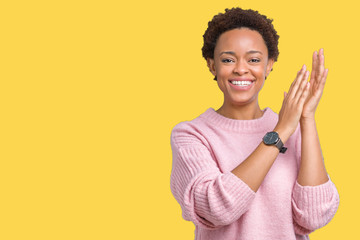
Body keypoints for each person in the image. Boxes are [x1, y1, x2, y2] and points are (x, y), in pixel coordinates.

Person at [169, 7, 339, 240]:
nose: (240, 69)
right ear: (212, 65)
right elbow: (215, 208)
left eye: (254, 59)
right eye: (228, 59)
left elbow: (314, 216)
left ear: (269, 65)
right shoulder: (191, 134)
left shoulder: (294, 128)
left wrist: (306, 119)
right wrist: (280, 131)